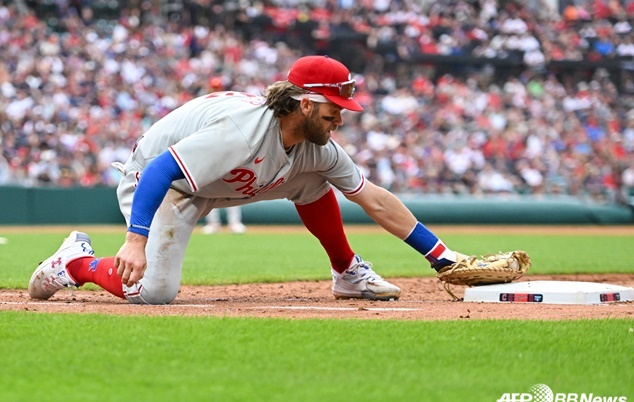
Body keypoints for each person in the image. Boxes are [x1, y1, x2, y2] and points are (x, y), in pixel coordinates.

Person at [29, 55, 473, 305]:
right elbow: (164, 168)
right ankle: (73, 263)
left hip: (222, 180)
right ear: (304, 103)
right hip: (164, 182)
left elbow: (374, 199)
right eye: (334, 109)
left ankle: (347, 273)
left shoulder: (315, 144)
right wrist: (135, 239)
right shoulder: (244, 129)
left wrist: (442, 257)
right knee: (153, 293)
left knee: (313, 177)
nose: (341, 119)